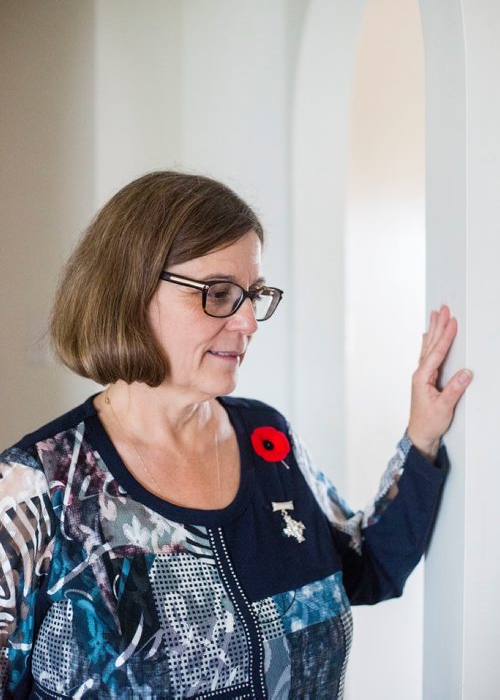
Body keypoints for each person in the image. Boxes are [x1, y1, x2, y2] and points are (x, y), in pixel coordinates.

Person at [0, 171, 472, 700]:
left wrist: (422, 436)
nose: (249, 322)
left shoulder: (267, 437)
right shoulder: (34, 487)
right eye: (220, 293)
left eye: (254, 295)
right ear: (129, 292)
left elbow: (365, 567)